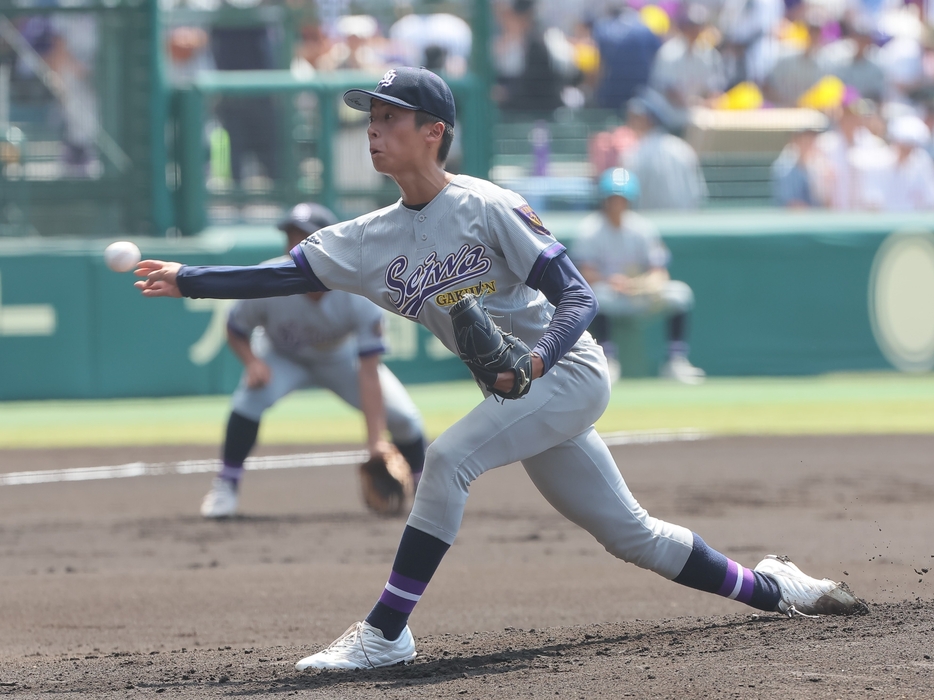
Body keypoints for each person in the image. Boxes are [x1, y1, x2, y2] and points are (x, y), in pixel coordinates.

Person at [134, 66, 866, 672]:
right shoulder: (369, 237)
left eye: (392, 117)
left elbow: (576, 295)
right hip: (521, 392)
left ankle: (387, 631)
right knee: (630, 534)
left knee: (447, 459)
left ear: (434, 133)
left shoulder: (490, 207)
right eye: (370, 118)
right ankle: (780, 588)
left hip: (569, 372)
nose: (374, 130)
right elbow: (284, 276)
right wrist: (189, 279)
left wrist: (538, 357)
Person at [199, 202, 428, 518]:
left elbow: (369, 370)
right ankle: (226, 485)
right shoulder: (269, 278)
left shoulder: (357, 287)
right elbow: (235, 327)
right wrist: (252, 361)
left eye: (304, 237)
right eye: (290, 236)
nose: (295, 244)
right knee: (248, 401)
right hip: (283, 357)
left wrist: (375, 442)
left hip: (340, 358)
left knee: (404, 418)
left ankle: (427, 494)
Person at [572, 168, 705, 384]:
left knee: (680, 293)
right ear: (605, 200)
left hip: (640, 294)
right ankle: (608, 360)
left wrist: (647, 282)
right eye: (613, 198)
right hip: (611, 294)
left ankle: (675, 361)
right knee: (597, 296)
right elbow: (584, 272)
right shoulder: (591, 228)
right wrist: (611, 281)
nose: (617, 203)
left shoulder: (641, 227)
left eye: (622, 198)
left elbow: (659, 269)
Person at [621, 90, 708, 210]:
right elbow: (698, 195)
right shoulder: (682, 148)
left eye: (635, 118)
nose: (630, 123)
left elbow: (628, 199)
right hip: (686, 224)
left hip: (651, 224)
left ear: (648, 120)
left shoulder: (634, 154)